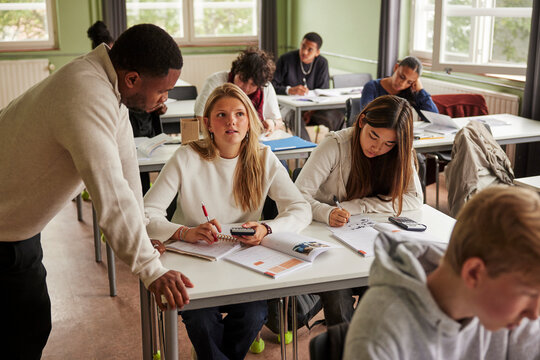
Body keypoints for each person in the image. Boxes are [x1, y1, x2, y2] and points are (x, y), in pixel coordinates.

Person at [0, 24, 192, 359]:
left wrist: (144, 237)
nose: (166, 99)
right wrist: (151, 269)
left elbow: (127, 171)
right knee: (22, 329)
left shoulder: (109, 87)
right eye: (163, 91)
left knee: (29, 323)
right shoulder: (86, 93)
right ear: (132, 78)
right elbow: (111, 192)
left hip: (18, 227)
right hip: (6, 229)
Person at [143, 83, 311, 359]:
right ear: (207, 123)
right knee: (200, 318)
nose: (231, 121)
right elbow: (147, 213)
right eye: (221, 115)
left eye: (239, 114)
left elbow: (300, 208)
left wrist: (267, 228)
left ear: (250, 122)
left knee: (254, 313)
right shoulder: (186, 156)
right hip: (194, 260)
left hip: (244, 260)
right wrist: (184, 232)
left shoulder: (263, 157)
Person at [343, 186, 540, 359]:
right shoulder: (379, 336)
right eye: (529, 293)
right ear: (474, 274)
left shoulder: (513, 317)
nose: (535, 313)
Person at [294, 95, 423, 326]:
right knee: (339, 303)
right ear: (362, 121)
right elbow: (297, 197)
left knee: (381, 296)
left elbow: (414, 198)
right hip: (329, 239)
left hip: (370, 240)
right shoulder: (334, 145)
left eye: (389, 144)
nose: (377, 147)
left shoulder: (400, 151)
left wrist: (359, 206)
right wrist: (326, 212)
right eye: (374, 136)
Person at [87, 21, 168, 194]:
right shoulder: (98, 83)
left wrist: (155, 104)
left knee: (138, 179)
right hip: (131, 129)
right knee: (132, 180)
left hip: (142, 130)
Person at [194, 47, 284, 134]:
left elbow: (279, 122)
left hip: (256, 141)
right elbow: (200, 119)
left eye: (253, 85)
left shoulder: (266, 88)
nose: (246, 88)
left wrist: (273, 123)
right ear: (236, 70)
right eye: (243, 80)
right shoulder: (215, 82)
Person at [272, 32, 343, 140]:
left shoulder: (322, 63)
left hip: (313, 109)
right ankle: (307, 153)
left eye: (310, 49)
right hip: (288, 107)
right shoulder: (286, 59)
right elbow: (272, 85)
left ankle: (339, 150)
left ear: (317, 52)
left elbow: (322, 91)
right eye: (303, 46)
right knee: (295, 116)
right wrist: (289, 90)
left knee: (338, 116)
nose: (304, 52)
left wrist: (310, 112)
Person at [360, 55, 438, 117]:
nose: (402, 84)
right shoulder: (372, 87)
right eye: (402, 77)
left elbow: (434, 117)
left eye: (409, 82)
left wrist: (421, 91)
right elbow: (367, 116)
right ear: (396, 67)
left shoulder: (410, 91)